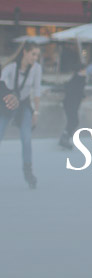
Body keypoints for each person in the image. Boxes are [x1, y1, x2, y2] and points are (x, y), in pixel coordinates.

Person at [0, 42, 43, 188]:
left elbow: (37, 90)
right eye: (33, 54)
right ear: (25, 52)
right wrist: (8, 95)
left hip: (24, 104)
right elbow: (2, 83)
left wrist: (36, 112)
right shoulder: (11, 67)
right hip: (8, 103)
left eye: (37, 55)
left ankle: (28, 171)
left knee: (26, 138)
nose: (35, 57)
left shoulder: (37, 69)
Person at [58, 59, 87, 151]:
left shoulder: (79, 78)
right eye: (84, 69)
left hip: (72, 103)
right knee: (74, 121)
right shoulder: (78, 78)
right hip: (70, 103)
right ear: (80, 70)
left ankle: (65, 138)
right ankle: (64, 138)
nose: (85, 71)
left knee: (73, 121)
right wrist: (82, 95)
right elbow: (75, 89)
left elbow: (78, 89)